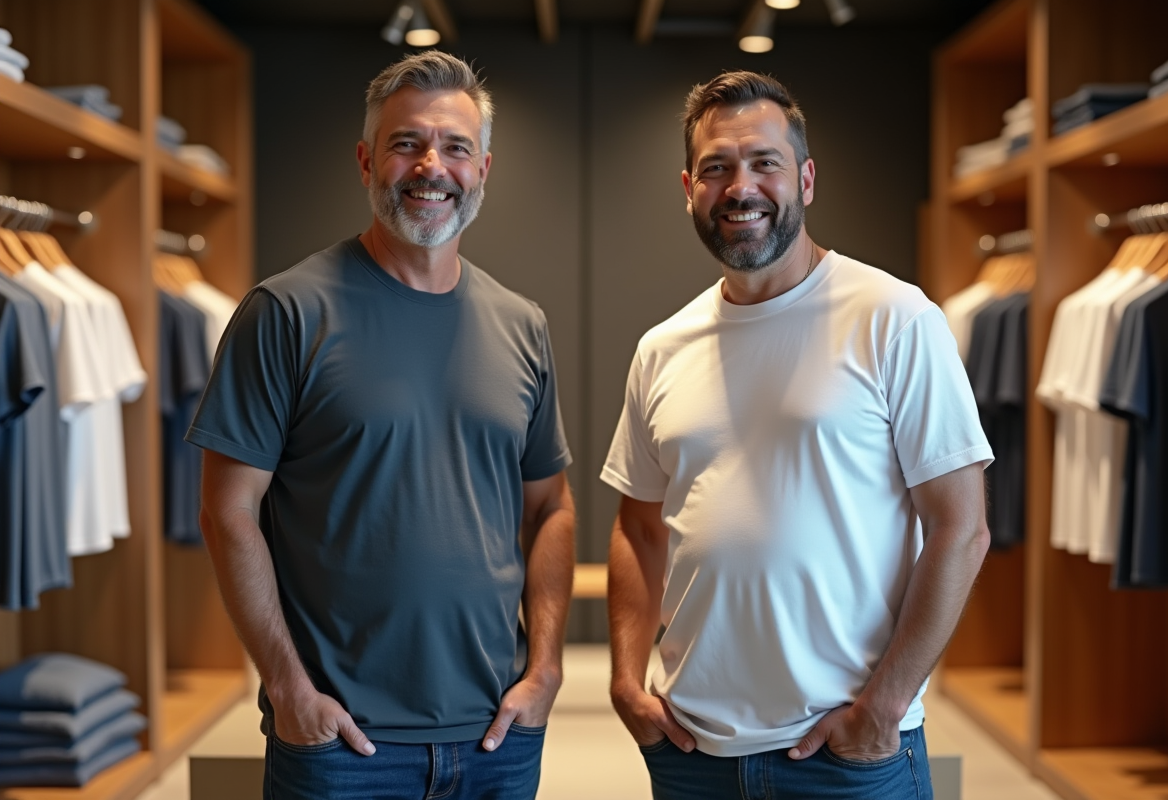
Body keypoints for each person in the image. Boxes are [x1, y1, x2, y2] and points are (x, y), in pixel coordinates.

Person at [187, 51, 575, 800]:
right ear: (367, 159)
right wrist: (288, 689)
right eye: (407, 144)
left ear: (484, 167)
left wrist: (546, 669)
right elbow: (227, 513)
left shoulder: (522, 324)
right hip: (341, 744)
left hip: (497, 737)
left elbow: (551, 507)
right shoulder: (287, 313)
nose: (432, 166)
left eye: (456, 147)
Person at [603, 70, 993, 800]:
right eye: (716, 168)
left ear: (806, 179)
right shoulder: (663, 346)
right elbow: (637, 527)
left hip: (848, 759)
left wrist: (884, 706)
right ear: (688, 187)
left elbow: (960, 527)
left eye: (764, 163)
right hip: (694, 753)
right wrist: (627, 681)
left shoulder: (894, 318)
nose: (739, 186)